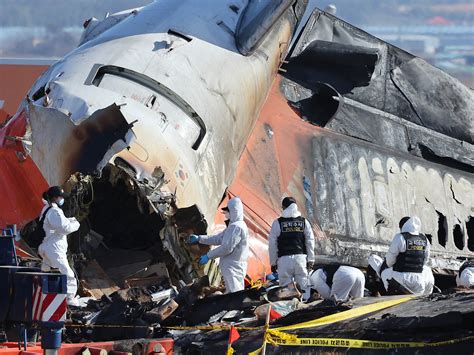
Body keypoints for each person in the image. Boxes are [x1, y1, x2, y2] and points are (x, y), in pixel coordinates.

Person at [187, 197, 248, 293]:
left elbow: (226, 248)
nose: (226, 215)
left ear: (234, 211)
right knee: (231, 293)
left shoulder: (236, 227)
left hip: (233, 267)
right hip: (231, 266)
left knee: (235, 294)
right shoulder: (234, 225)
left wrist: (208, 256)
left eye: (227, 212)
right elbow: (219, 238)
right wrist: (199, 238)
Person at [368, 216, 434, 295]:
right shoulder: (424, 239)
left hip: (401, 279)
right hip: (419, 282)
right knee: (427, 270)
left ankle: (384, 294)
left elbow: (390, 261)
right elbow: (425, 260)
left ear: (403, 226)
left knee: (382, 270)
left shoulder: (400, 237)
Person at [38, 186, 80, 305]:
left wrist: (69, 220)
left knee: (47, 274)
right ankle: (70, 301)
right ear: (56, 198)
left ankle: (45, 298)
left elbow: (59, 223)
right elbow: (64, 228)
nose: (62, 199)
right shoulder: (54, 211)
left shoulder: (47, 209)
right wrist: (76, 224)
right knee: (68, 275)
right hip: (54, 248)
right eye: (61, 197)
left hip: (47, 246)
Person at [268, 197, 315, 291]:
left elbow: (272, 245)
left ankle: (288, 304)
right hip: (300, 259)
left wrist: (273, 263)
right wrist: (311, 260)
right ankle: (303, 303)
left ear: (284, 207)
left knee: (285, 290)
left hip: (284, 260)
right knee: (303, 287)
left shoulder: (277, 223)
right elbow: (310, 241)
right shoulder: (304, 222)